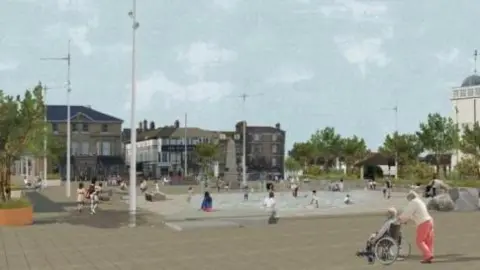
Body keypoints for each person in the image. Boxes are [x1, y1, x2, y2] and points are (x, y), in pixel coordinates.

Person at [398, 191, 434, 264]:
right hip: (429, 221)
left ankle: (428, 255)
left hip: (423, 223)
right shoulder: (420, 202)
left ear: (410, 198)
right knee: (428, 241)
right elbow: (414, 214)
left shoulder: (413, 202)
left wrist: (400, 219)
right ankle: (429, 257)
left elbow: (407, 213)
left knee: (420, 241)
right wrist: (406, 219)